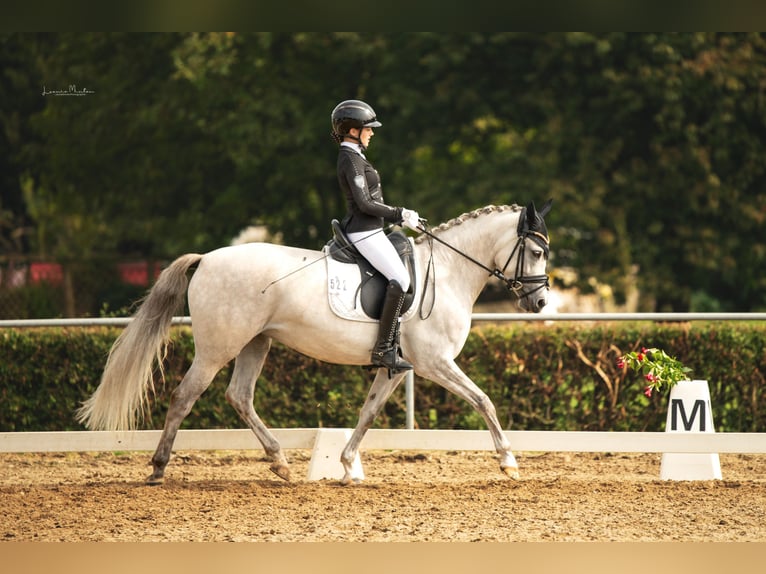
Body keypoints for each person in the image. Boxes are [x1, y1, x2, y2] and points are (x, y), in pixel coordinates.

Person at [331, 99, 421, 372]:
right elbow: (365, 204)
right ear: (353, 131)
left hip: (372, 229)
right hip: (363, 231)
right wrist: (400, 213)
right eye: (368, 128)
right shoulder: (350, 159)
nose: (372, 132)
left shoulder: (357, 157)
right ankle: (383, 349)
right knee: (401, 279)